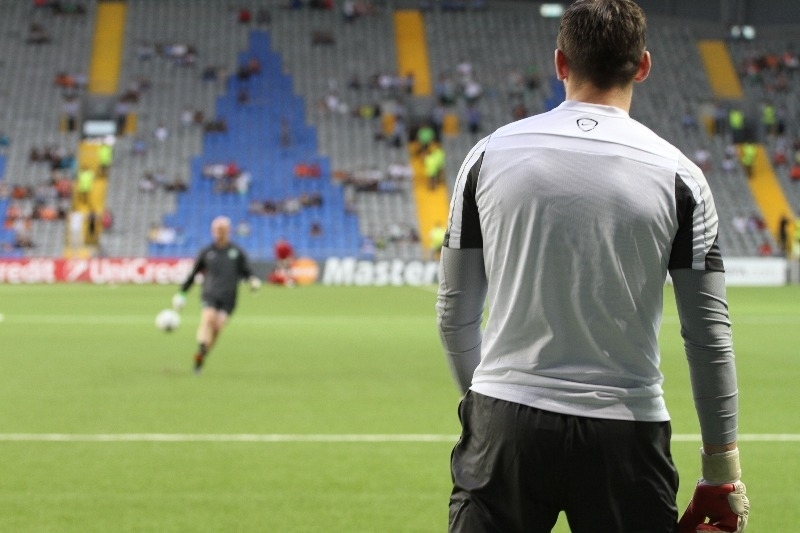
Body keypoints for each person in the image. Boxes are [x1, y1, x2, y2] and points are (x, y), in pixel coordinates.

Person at [435, 2, 749, 532]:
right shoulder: (681, 176)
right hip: (626, 432)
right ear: (643, 66)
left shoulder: (488, 155)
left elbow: (453, 314)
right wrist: (722, 473)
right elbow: (708, 335)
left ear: (560, 62)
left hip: (506, 420)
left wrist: (485, 401)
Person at [172, 216, 261, 373]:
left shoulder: (236, 252)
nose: (219, 232)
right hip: (210, 293)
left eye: (222, 229)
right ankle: (201, 350)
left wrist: (252, 280)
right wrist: (182, 293)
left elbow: (246, 271)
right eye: (217, 229)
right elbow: (193, 274)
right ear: (212, 231)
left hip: (229, 297)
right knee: (208, 318)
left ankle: (201, 356)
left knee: (217, 327)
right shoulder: (207, 252)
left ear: (228, 231)